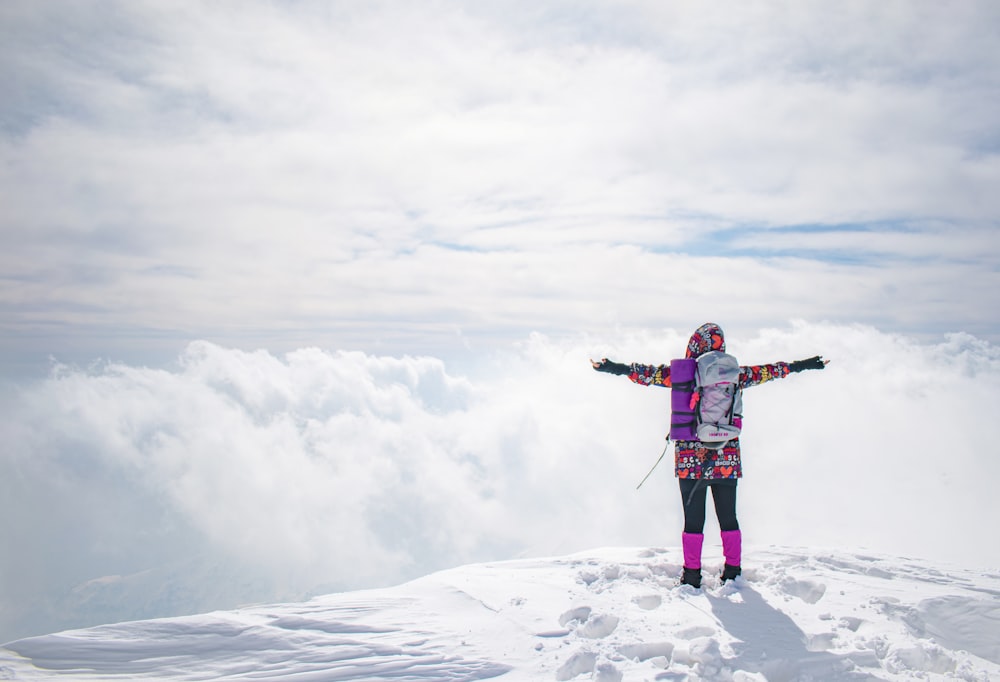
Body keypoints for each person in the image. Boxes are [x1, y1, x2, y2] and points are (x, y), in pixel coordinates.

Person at [591, 322, 827, 588]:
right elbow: (769, 372)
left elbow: (650, 374)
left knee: (694, 520)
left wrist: (615, 368)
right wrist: (803, 364)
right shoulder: (736, 373)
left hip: (690, 459)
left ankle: (692, 575)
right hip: (726, 457)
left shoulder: (682, 374)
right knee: (729, 516)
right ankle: (733, 571)